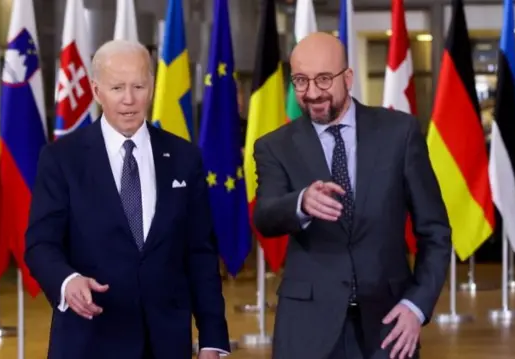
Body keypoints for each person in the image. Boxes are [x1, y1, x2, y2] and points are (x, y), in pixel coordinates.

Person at [25, 39, 230, 359]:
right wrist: (67, 281)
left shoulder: (184, 157)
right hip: (89, 340)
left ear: (151, 85)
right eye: (117, 87)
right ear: (96, 91)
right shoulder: (61, 158)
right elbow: (40, 244)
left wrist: (211, 339)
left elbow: (200, 253)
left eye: (138, 86)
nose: (129, 100)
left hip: (166, 344)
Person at [252, 32, 451, 359]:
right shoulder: (274, 146)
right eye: (300, 81)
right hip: (306, 328)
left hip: (389, 325)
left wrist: (416, 306)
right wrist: (300, 203)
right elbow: (266, 216)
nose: (312, 93)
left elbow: (435, 232)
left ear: (348, 78)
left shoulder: (399, 133)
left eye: (324, 80)